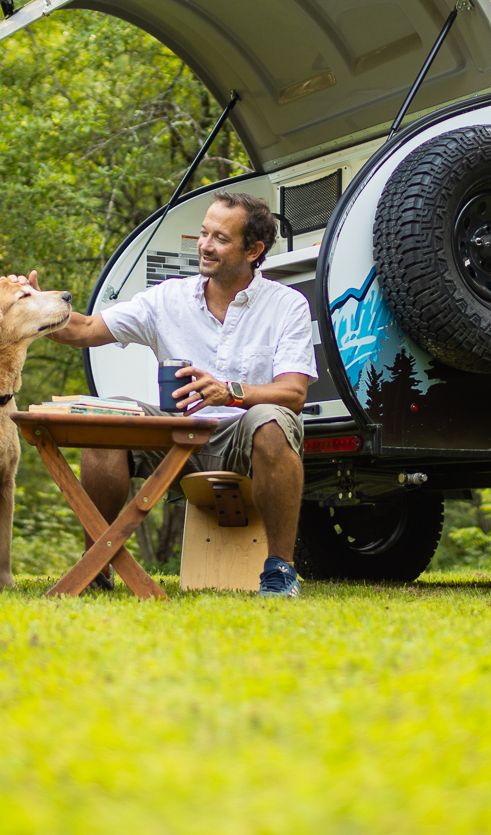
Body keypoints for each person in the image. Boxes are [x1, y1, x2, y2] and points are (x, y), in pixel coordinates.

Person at [45, 192, 315, 597]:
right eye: (204, 234)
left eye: (221, 238)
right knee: (107, 416)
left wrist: (231, 392)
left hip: (245, 438)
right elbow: (83, 330)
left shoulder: (286, 305)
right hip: (175, 437)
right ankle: (96, 567)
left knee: (273, 418)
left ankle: (280, 571)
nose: (205, 245)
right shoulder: (166, 298)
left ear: (254, 250)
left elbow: (293, 393)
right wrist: (33, 306)